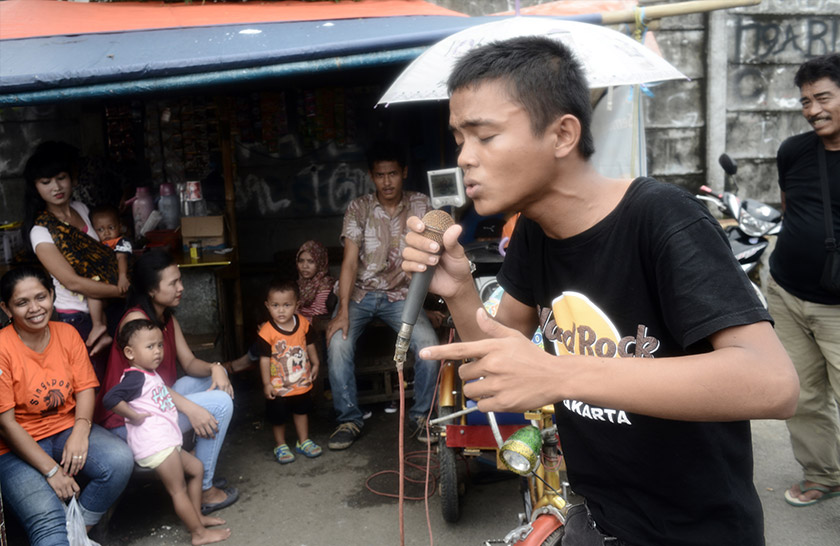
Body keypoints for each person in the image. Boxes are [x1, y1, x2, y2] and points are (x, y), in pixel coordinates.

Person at [401, 37, 799, 545]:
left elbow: (773, 383)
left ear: (563, 133)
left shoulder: (663, 220)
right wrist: (458, 290)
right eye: (459, 138)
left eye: (485, 136)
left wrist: (560, 372)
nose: (464, 158)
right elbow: (501, 350)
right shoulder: (533, 231)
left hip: (697, 530)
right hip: (597, 517)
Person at [94, 249, 240, 515]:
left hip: (155, 405)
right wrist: (190, 409)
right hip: (128, 421)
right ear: (151, 289)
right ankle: (204, 487)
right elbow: (144, 386)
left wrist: (216, 367)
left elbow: (190, 362)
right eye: (173, 283)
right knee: (219, 403)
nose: (181, 288)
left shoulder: (165, 317)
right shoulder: (138, 323)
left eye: (179, 280)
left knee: (206, 382)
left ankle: (196, 469)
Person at [0, 266, 133, 546]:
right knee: (48, 524)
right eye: (22, 302)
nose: (35, 308)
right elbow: (6, 423)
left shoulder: (67, 334)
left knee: (119, 461)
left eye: (41, 297)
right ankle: (62, 531)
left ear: (52, 296)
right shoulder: (2, 347)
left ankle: (77, 530)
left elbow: (85, 387)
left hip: (64, 430)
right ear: (6, 308)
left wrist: (80, 431)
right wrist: (51, 471)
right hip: (14, 447)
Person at [325, 140, 440, 450]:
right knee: (338, 344)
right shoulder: (359, 208)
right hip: (361, 293)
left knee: (429, 346)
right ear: (371, 176)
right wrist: (343, 309)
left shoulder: (421, 205)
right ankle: (349, 419)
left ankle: (422, 417)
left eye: (392, 174)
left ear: (404, 172)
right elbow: (349, 262)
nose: (387, 182)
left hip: (403, 295)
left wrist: (427, 305)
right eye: (379, 175)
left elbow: (431, 256)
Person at [767, 53, 840, 507]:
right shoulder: (794, 151)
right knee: (805, 395)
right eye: (805, 101)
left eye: (823, 98)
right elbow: (790, 208)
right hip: (786, 294)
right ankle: (823, 473)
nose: (812, 109)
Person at [103, 319, 231, 545]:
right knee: (178, 489)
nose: (158, 352)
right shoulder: (135, 377)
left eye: (160, 345)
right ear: (130, 352)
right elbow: (110, 398)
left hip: (165, 441)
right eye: (150, 347)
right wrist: (133, 416)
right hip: (155, 445)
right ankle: (198, 533)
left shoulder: (148, 374)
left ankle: (197, 516)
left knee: (197, 468)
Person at [23, 141, 124, 358]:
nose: (56, 187)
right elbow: (72, 282)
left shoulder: (82, 209)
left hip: (107, 307)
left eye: (61, 178)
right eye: (46, 182)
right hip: (77, 317)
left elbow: (105, 252)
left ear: (72, 179)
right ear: (36, 187)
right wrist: (120, 290)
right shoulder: (40, 231)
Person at [256, 279, 322, 464]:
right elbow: (264, 360)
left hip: (300, 381)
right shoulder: (266, 332)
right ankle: (281, 444)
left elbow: (310, 345)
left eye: (287, 305)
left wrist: (316, 363)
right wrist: (267, 383)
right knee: (278, 416)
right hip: (278, 386)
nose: (281, 310)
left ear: (297, 305)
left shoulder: (303, 324)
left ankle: (303, 441)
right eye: (275, 305)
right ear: (267, 306)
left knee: (302, 411)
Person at [90, 204, 132, 295]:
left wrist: (123, 277)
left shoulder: (122, 241)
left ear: (120, 227)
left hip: (122, 279)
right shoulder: (97, 244)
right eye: (100, 230)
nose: (106, 233)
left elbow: (121, 258)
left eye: (111, 228)